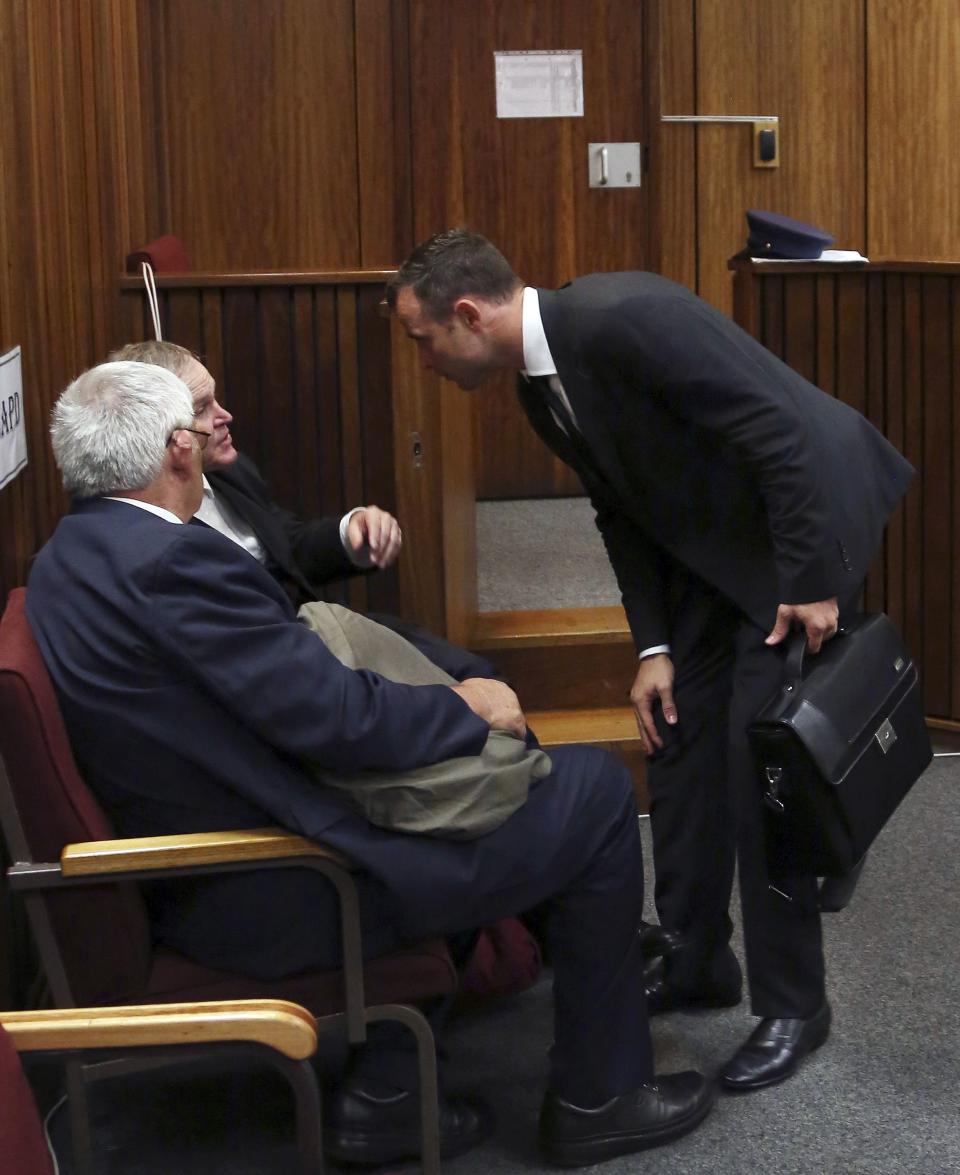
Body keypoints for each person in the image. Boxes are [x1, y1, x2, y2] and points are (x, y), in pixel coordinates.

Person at [26, 360, 714, 1167]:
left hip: (205, 864)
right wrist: (466, 708)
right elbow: (342, 721)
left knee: (463, 779)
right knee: (592, 793)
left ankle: (387, 1092)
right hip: (280, 885)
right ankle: (600, 1096)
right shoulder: (172, 564)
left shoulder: (66, 557)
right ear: (179, 451)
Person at [387, 229, 914, 1092]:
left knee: (760, 763)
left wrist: (813, 581)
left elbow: (780, 433)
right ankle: (699, 955)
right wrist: (656, 648)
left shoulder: (624, 317)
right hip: (717, 544)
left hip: (800, 528)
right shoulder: (537, 389)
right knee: (675, 737)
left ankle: (795, 1006)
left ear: (467, 314)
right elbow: (621, 513)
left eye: (422, 339)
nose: (424, 361)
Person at [107, 340, 492, 682]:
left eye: (217, 399)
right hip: (281, 667)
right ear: (164, 432)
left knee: (474, 671)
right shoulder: (154, 527)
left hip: (320, 626)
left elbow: (286, 545)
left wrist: (351, 532)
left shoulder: (230, 471)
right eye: (204, 408)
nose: (225, 416)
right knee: (462, 699)